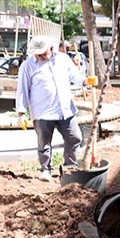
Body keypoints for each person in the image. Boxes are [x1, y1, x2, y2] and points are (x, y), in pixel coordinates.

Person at [16, 37, 98, 181]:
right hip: (42, 112)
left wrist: (86, 81)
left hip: (65, 109)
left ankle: (69, 169)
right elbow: (22, 89)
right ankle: (46, 170)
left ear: (51, 48)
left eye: (42, 53)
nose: (39, 56)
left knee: (74, 137)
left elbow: (75, 77)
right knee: (44, 143)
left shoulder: (63, 60)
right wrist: (21, 113)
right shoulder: (28, 66)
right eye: (37, 54)